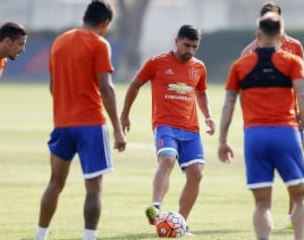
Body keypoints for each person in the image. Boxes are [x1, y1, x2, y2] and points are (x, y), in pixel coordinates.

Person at [218, 12, 304, 240]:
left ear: (258, 35)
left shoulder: (240, 65)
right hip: (286, 133)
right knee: (301, 196)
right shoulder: (293, 62)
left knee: (262, 203)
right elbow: (303, 96)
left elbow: (228, 104)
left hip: (255, 136)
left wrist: (223, 141)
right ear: (282, 35)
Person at [35, 1, 126, 240]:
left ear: (85, 16)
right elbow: (106, 89)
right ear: (105, 23)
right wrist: (118, 129)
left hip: (62, 124)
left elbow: (53, 86)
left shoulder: (59, 42)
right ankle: (88, 237)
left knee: (55, 182)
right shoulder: (99, 44)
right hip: (91, 125)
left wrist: (67, 106)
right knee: (94, 189)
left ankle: (40, 236)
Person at [120, 24, 216, 236]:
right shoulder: (157, 62)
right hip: (165, 125)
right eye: (186, 45)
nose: (190, 50)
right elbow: (135, 84)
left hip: (191, 129)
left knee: (197, 173)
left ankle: (180, 224)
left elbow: (201, 93)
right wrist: (125, 114)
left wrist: (208, 116)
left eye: (194, 46)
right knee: (167, 159)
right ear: (176, 41)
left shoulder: (199, 67)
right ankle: (155, 208)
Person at [241, 2, 304, 230]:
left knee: (300, 171)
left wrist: (302, 111)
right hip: (263, 120)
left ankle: (295, 218)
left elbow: (302, 83)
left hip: (291, 116)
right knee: (268, 183)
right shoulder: (249, 51)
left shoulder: (295, 46)